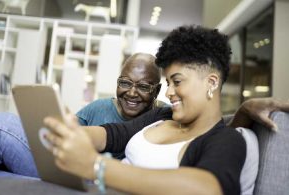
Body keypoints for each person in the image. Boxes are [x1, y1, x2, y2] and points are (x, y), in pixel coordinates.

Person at [44, 25, 289, 195]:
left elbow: (209, 188)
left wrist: (96, 167)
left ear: (211, 82)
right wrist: (69, 132)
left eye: (177, 81)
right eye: (168, 83)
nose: (169, 92)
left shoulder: (225, 139)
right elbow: (113, 134)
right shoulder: (163, 116)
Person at [0, 52, 164, 177]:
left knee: (0, 128)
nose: (132, 93)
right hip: (67, 167)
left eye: (143, 87)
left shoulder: (163, 118)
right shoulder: (97, 108)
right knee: (5, 125)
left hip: (86, 177)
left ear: (157, 91)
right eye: (125, 83)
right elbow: (61, 140)